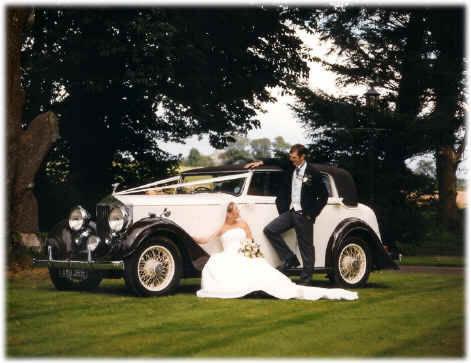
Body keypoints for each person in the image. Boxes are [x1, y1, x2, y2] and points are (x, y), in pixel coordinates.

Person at [193, 202, 358, 301]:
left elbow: (250, 239)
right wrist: (191, 237)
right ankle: (250, 289)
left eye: (237, 210)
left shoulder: (242, 224)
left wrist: (254, 254)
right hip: (229, 255)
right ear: (229, 213)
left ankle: (262, 288)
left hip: (244, 253)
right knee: (215, 264)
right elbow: (206, 238)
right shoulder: (222, 228)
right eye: (235, 210)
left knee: (260, 271)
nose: (238, 212)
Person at [244, 144, 328, 286]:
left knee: (306, 247)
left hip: (304, 215)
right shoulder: (290, 166)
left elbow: (324, 196)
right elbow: (276, 161)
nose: (292, 160)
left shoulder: (313, 172)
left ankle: (306, 279)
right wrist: (260, 162)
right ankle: (289, 258)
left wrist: (311, 214)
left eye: (294, 158)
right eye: (291, 157)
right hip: (291, 212)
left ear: (302, 157)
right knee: (270, 230)